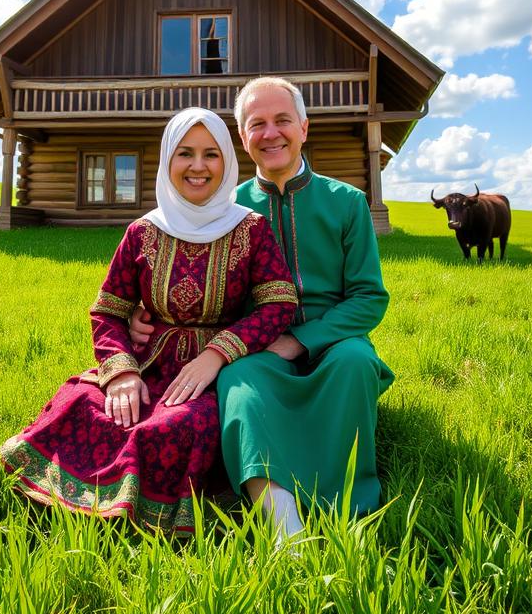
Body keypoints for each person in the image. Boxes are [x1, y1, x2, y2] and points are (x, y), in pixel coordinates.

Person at [0, 107, 297, 534]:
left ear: (228, 162)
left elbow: (277, 305)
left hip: (218, 372)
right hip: (148, 362)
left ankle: (136, 514)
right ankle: (87, 502)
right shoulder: (142, 232)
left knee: (175, 427)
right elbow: (109, 310)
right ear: (167, 160)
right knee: (82, 404)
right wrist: (120, 373)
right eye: (185, 153)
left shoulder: (251, 229)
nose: (198, 166)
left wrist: (217, 354)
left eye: (211, 154)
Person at [133, 77, 393, 541]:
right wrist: (145, 313)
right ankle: (282, 525)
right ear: (243, 137)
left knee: (354, 364)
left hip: (334, 341)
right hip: (251, 344)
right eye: (257, 124)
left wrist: (299, 341)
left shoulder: (348, 203)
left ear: (304, 128)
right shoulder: (226, 210)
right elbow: (184, 270)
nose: (271, 133)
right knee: (237, 380)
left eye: (282, 121)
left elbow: (369, 298)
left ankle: (350, 515)